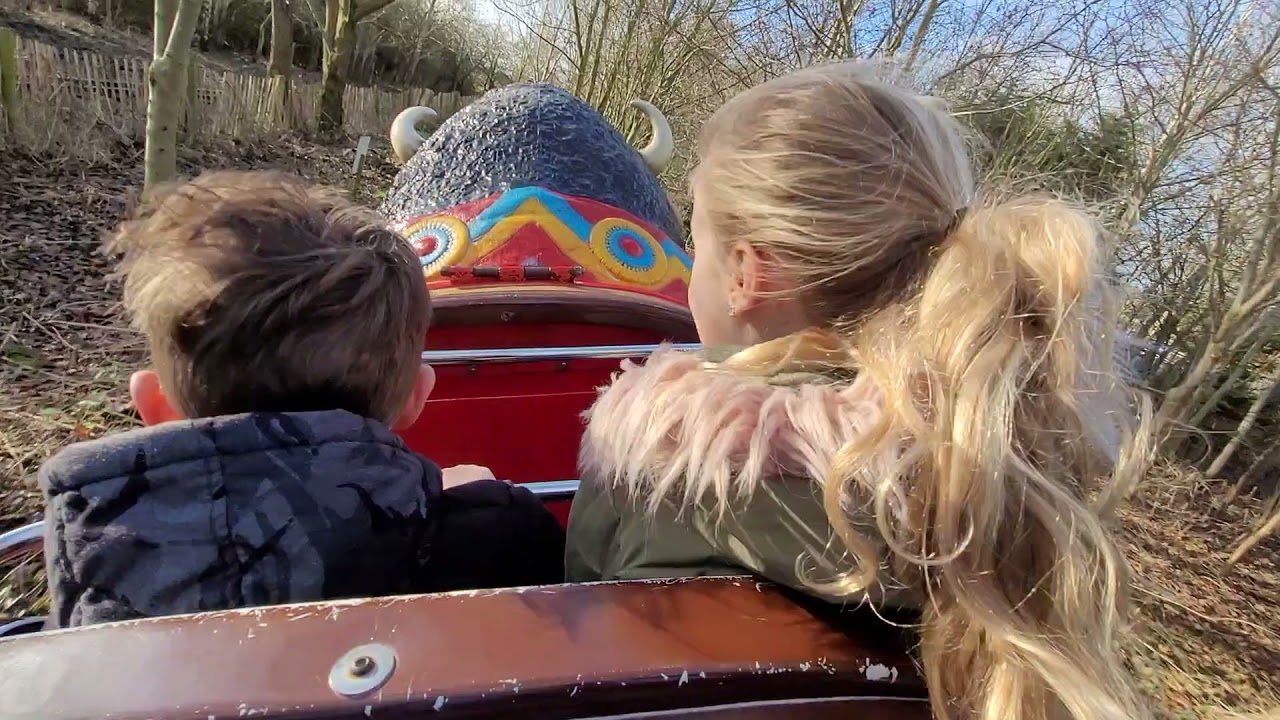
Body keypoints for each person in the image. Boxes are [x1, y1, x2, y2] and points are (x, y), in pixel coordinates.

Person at [565, 62, 1153, 720]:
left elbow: (579, 648)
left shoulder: (644, 465)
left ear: (744, 274)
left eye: (694, 240)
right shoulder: (1014, 494)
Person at [40, 171, 565, 629]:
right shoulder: (499, 535)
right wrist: (476, 506)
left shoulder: (88, 553)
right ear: (415, 397)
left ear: (155, 406)